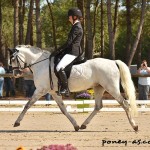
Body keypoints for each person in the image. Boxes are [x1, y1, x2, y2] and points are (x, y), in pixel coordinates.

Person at [51, 8, 83, 97]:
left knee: (59, 67)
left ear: (74, 17)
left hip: (73, 52)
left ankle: (65, 89)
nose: (68, 18)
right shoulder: (75, 26)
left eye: (69, 17)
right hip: (70, 51)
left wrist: (58, 50)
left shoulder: (77, 27)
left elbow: (69, 42)